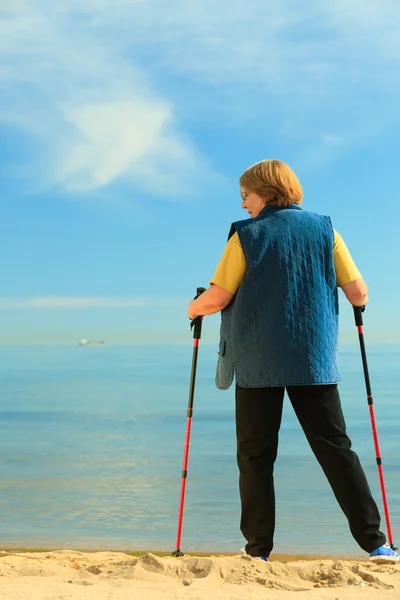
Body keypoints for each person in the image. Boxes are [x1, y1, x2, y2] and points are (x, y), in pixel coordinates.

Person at [187, 159, 399, 564]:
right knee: (336, 449)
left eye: (245, 195)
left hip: (256, 364)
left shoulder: (245, 235)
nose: (244, 204)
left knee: (255, 456)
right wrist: (357, 299)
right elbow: (358, 293)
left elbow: (217, 297)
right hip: (312, 360)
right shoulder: (325, 229)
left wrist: (193, 309)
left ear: (264, 191)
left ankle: (258, 553)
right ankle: (377, 544)